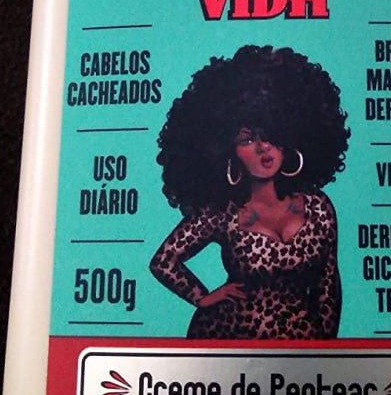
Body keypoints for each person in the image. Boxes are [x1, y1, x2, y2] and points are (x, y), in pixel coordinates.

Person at [150, 45, 350, 340]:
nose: (263, 147)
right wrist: (202, 297)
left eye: (272, 134)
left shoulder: (318, 207)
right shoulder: (222, 212)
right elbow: (164, 262)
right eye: (246, 140)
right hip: (226, 341)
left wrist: (325, 349)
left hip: (300, 346)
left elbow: (328, 283)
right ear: (226, 151)